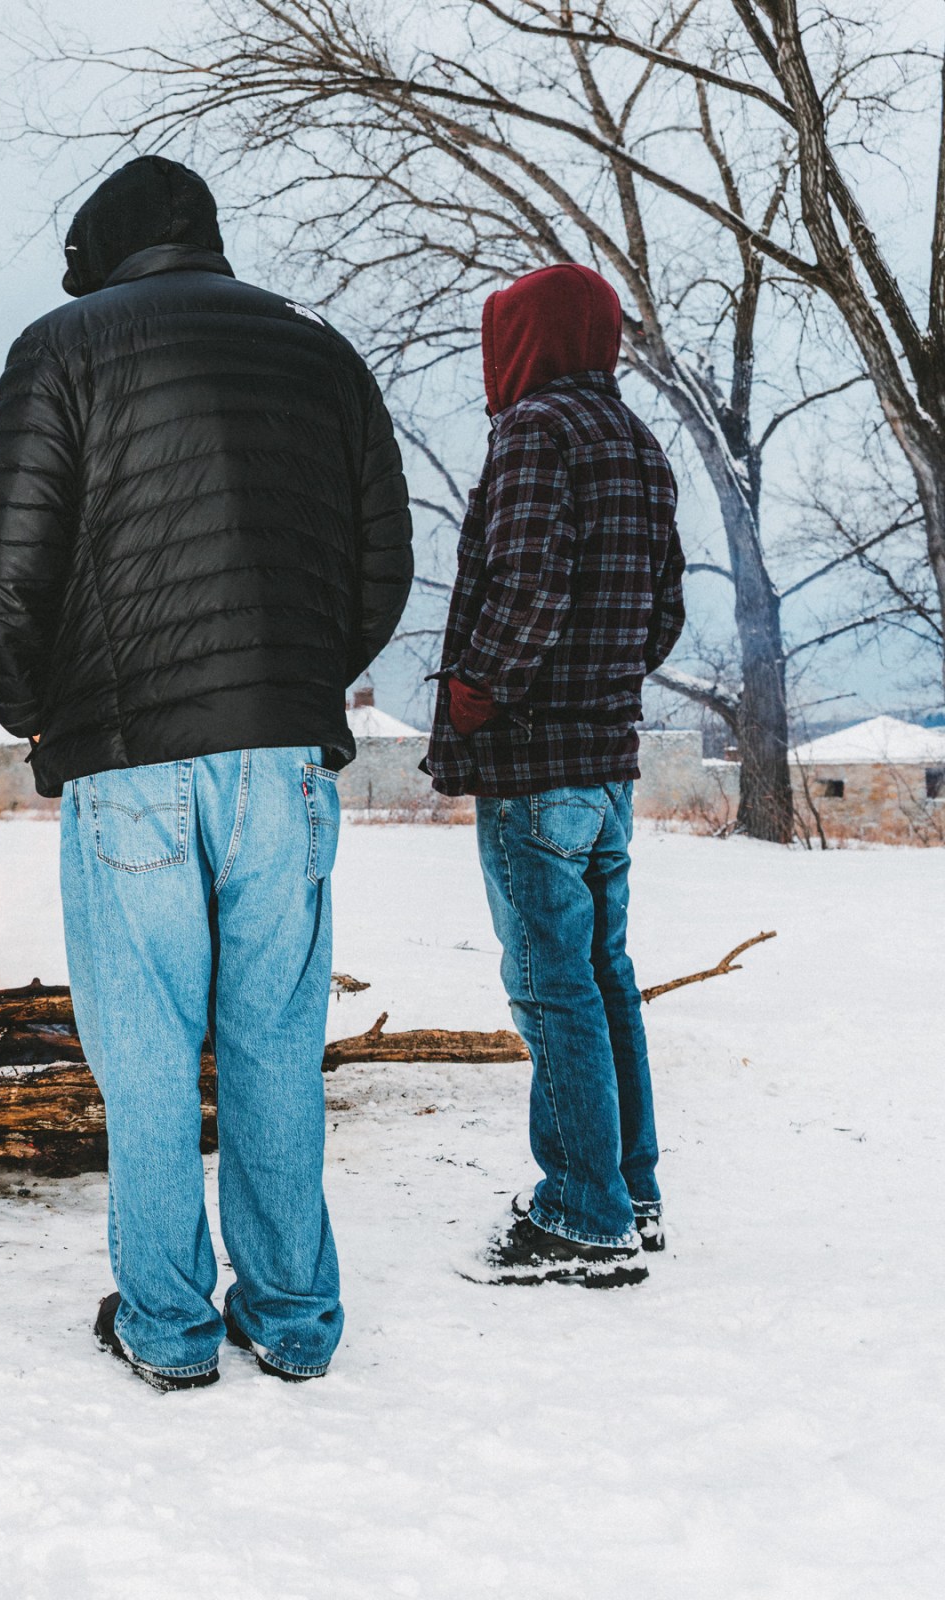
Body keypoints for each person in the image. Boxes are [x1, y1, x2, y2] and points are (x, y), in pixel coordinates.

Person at [0, 156, 412, 1388]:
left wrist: (44, 716)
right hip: (285, 760)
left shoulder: (62, 348)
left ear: (101, 247)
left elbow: (10, 569)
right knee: (274, 1037)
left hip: (132, 760)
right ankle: (290, 1313)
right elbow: (386, 558)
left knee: (151, 1052)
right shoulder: (318, 351)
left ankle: (167, 1328)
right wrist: (299, 678)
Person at [428, 263, 684, 1289]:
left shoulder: (537, 433)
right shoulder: (638, 442)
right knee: (604, 976)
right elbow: (661, 616)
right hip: (607, 766)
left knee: (552, 986)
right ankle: (632, 1185)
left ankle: (583, 1212)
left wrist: (477, 687)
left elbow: (529, 586)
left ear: (530, 341)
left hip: (537, 766)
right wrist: (597, 674)